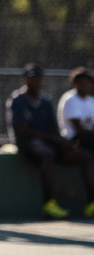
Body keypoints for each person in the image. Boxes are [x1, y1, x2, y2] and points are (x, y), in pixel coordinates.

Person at [8, 64, 94, 220]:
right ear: (25, 80)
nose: (34, 82)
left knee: (85, 156)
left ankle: (91, 203)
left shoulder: (46, 103)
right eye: (31, 78)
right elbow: (23, 131)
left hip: (49, 142)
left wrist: (63, 143)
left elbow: (53, 130)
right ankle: (48, 203)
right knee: (47, 154)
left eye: (37, 79)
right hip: (29, 145)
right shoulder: (17, 100)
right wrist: (53, 139)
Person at [58, 67, 94, 156]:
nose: (85, 84)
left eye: (87, 82)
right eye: (81, 82)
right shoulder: (70, 99)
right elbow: (79, 129)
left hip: (88, 137)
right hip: (72, 140)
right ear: (75, 83)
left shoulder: (91, 100)